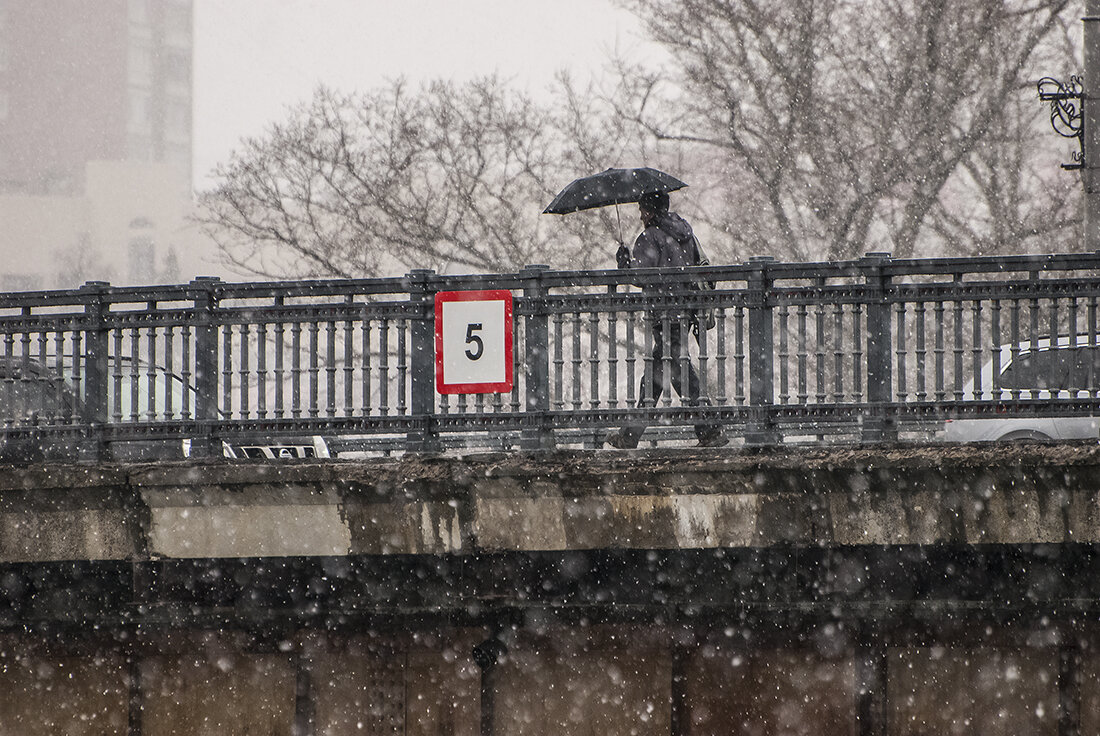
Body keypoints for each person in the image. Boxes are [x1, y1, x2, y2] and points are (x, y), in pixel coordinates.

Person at [604, 190, 728, 449]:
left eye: (641, 210)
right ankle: (632, 435)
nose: (640, 215)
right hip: (685, 310)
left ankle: (710, 430)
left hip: (663, 312)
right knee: (660, 371)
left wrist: (624, 263)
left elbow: (640, 277)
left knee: (674, 371)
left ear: (648, 211)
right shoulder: (685, 233)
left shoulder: (650, 236)